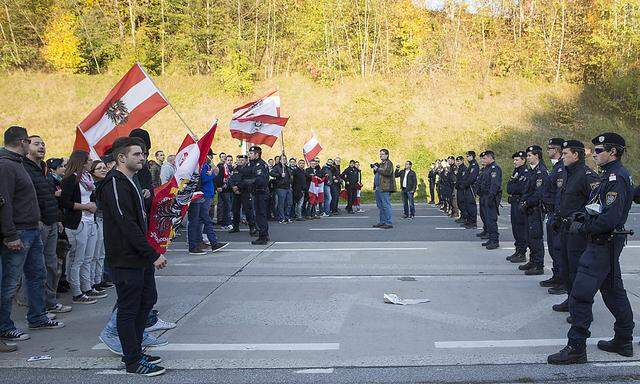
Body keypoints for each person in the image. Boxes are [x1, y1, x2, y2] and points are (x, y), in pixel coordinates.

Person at [548, 132, 635, 365]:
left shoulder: (616, 178)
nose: (594, 154)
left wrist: (584, 226)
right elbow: (597, 207)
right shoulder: (609, 175)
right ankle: (624, 339)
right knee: (613, 292)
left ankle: (576, 347)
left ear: (613, 152)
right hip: (605, 243)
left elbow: (610, 218)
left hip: (601, 243)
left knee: (579, 295)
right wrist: (583, 214)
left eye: (598, 150)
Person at [97, 136, 167, 376]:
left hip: (138, 256)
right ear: (121, 158)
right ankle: (133, 361)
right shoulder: (115, 183)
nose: (142, 158)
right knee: (129, 309)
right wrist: (151, 253)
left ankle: (136, 350)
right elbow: (125, 223)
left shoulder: (131, 180)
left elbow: (140, 220)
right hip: (125, 257)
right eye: (137, 154)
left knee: (146, 301)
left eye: (143, 154)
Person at [1, 126, 66, 347]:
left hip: (31, 229)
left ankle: (37, 317)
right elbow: (4, 203)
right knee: (10, 283)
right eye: (30, 141)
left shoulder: (18, 164)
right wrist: (10, 235)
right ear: (22, 142)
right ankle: (5, 327)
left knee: (37, 274)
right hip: (18, 232)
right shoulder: (6, 166)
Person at [22, 136, 71, 314]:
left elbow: (50, 197)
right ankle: (36, 307)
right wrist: (37, 219)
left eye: (43, 144)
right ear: (26, 146)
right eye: (37, 144)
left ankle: (50, 302)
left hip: (51, 222)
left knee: (51, 265)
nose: (41, 146)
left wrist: (57, 218)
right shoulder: (23, 168)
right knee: (36, 267)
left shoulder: (44, 170)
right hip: (37, 223)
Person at [550, 140, 599, 316]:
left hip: (578, 233)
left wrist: (582, 223)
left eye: (565, 154)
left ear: (576, 155)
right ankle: (571, 300)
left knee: (578, 271)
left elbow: (596, 205)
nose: (562, 157)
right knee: (566, 267)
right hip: (564, 229)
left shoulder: (587, 176)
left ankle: (581, 309)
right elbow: (562, 199)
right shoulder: (567, 174)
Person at [61, 150, 104, 304]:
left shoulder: (87, 179)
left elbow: (91, 198)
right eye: (89, 160)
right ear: (82, 162)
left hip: (90, 220)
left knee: (89, 256)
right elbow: (65, 202)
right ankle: (77, 291)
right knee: (77, 258)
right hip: (78, 222)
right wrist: (84, 206)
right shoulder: (70, 179)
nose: (91, 162)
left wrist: (91, 206)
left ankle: (87, 287)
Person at [187, 151, 227, 254]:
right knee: (198, 220)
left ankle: (210, 242)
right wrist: (213, 174)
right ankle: (197, 244)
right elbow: (204, 178)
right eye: (209, 155)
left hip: (203, 194)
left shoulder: (204, 165)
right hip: (200, 194)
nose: (210, 158)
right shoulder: (200, 165)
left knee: (203, 220)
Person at [517, 145, 548, 275]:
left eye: (530, 155)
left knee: (536, 237)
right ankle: (533, 261)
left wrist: (527, 203)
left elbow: (539, 193)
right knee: (530, 237)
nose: (528, 158)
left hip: (535, 208)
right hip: (529, 208)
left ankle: (538, 264)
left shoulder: (541, 172)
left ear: (537, 156)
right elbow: (526, 189)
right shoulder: (531, 171)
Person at [540, 138, 566, 291]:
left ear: (557, 150)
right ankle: (557, 275)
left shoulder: (562, 168)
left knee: (559, 249)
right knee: (553, 247)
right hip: (551, 213)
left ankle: (563, 280)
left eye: (550, 148)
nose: (548, 151)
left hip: (557, 214)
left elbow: (559, 194)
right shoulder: (556, 167)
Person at [89, 160, 111, 291]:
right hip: (96, 219)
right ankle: (92, 282)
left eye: (104, 167)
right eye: (99, 168)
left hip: (105, 219)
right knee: (94, 254)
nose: (103, 170)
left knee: (102, 253)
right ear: (93, 172)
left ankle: (99, 279)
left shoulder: (108, 183)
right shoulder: (93, 186)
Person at [506, 151, 529, 263]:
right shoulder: (516, 171)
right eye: (514, 160)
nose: (514, 162)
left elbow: (520, 188)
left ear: (523, 160)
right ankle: (518, 250)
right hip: (514, 202)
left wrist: (514, 187)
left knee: (520, 228)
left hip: (520, 202)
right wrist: (513, 187)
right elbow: (509, 188)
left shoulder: (525, 172)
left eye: (517, 160)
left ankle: (522, 252)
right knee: (515, 228)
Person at [229, 155, 257, 235]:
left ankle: (252, 227)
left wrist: (238, 187)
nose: (240, 162)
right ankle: (235, 227)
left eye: (242, 160)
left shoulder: (248, 169)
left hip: (245, 192)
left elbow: (246, 181)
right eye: (239, 160)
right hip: (235, 192)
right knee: (235, 210)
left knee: (248, 210)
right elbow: (230, 178)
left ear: (246, 161)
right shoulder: (235, 169)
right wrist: (233, 187)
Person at [478, 151, 501, 249]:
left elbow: (494, 184)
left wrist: (491, 197)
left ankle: (495, 240)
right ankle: (491, 238)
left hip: (490, 197)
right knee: (486, 218)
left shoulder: (494, 169)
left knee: (491, 219)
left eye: (485, 158)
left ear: (490, 158)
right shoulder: (486, 169)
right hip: (484, 196)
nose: (483, 160)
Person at [248, 146, 270, 245]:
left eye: (251, 153)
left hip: (260, 192)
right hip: (258, 192)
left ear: (257, 154)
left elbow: (260, 180)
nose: (250, 155)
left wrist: (248, 182)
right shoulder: (255, 164)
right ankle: (265, 234)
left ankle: (263, 237)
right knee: (261, 215)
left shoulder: (260, 165)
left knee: (261, 215)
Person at [372, 149, 395, 229]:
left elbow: (387, 172)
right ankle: (382, 221)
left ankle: (389, 222)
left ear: (387, 155)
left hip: (385, 187)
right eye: (380, 154)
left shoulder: (389, 163)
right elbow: (378, 173)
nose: (380, 155)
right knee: (380, 206)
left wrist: (377, 169)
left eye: (382, 154)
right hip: (378, 187)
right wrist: (375, 169)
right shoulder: (381, 164)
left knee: (386, 205)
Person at [271, 155, 293, 223]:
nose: (284, 160)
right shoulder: (277, 167)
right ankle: (281, 218)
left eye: (285, 159)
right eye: (282, 159)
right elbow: (271, 173)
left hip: (288, 187)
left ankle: (287, 216)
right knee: (281, 203)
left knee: (289, 203)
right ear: (280, 160)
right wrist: (280, 175)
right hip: (280, 187)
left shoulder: (287, 168)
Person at [461, 151, 479, 229]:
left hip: (471, 187)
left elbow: (471, 178)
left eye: (468, 156)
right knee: (467, 205)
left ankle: (473, 222)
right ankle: (469, 221)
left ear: (472, 156)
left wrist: (465, 184)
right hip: (467, 187)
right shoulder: (471, 165)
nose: (467, 158)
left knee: (471, 205)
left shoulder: (474, 165)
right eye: (467, 156)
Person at [454, 156, 468, 224]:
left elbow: (463, 179)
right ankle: (462, 216)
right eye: (457, 161)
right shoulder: (459, 168)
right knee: (459, 203)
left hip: (462, 189)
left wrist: (460, 186)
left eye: (459, 161)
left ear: (462, 161)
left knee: (462, 203)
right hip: (459, 188)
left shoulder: (464, 168)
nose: (458, 162)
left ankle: (464, 217)